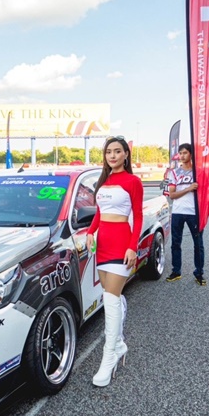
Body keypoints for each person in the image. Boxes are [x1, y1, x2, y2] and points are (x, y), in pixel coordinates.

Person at [85, 136, 143, 387]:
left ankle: (109, 356)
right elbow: (99, 213)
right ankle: (119, 344)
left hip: (121, 243)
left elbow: (138, 216)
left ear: (126, 154)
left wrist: (132, 246)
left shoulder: (133, 181)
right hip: (103, 245)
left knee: (110, 300)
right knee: (111, 295)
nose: (112, 156)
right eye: (109, 152)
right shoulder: (104, 181)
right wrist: (90, 232)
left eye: (117, 151)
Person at [166, 144, 206, 286]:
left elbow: (205, 191)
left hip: (194, 213)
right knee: (175, 243)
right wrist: (189, 188)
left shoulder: (199, 172)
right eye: (180, 153)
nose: (182, 156)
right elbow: (172, 195)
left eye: (185, 153)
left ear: (191, 154)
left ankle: (199, 273)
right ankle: (176, 271)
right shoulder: (174, 172)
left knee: (198, 244)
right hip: (178, 212)